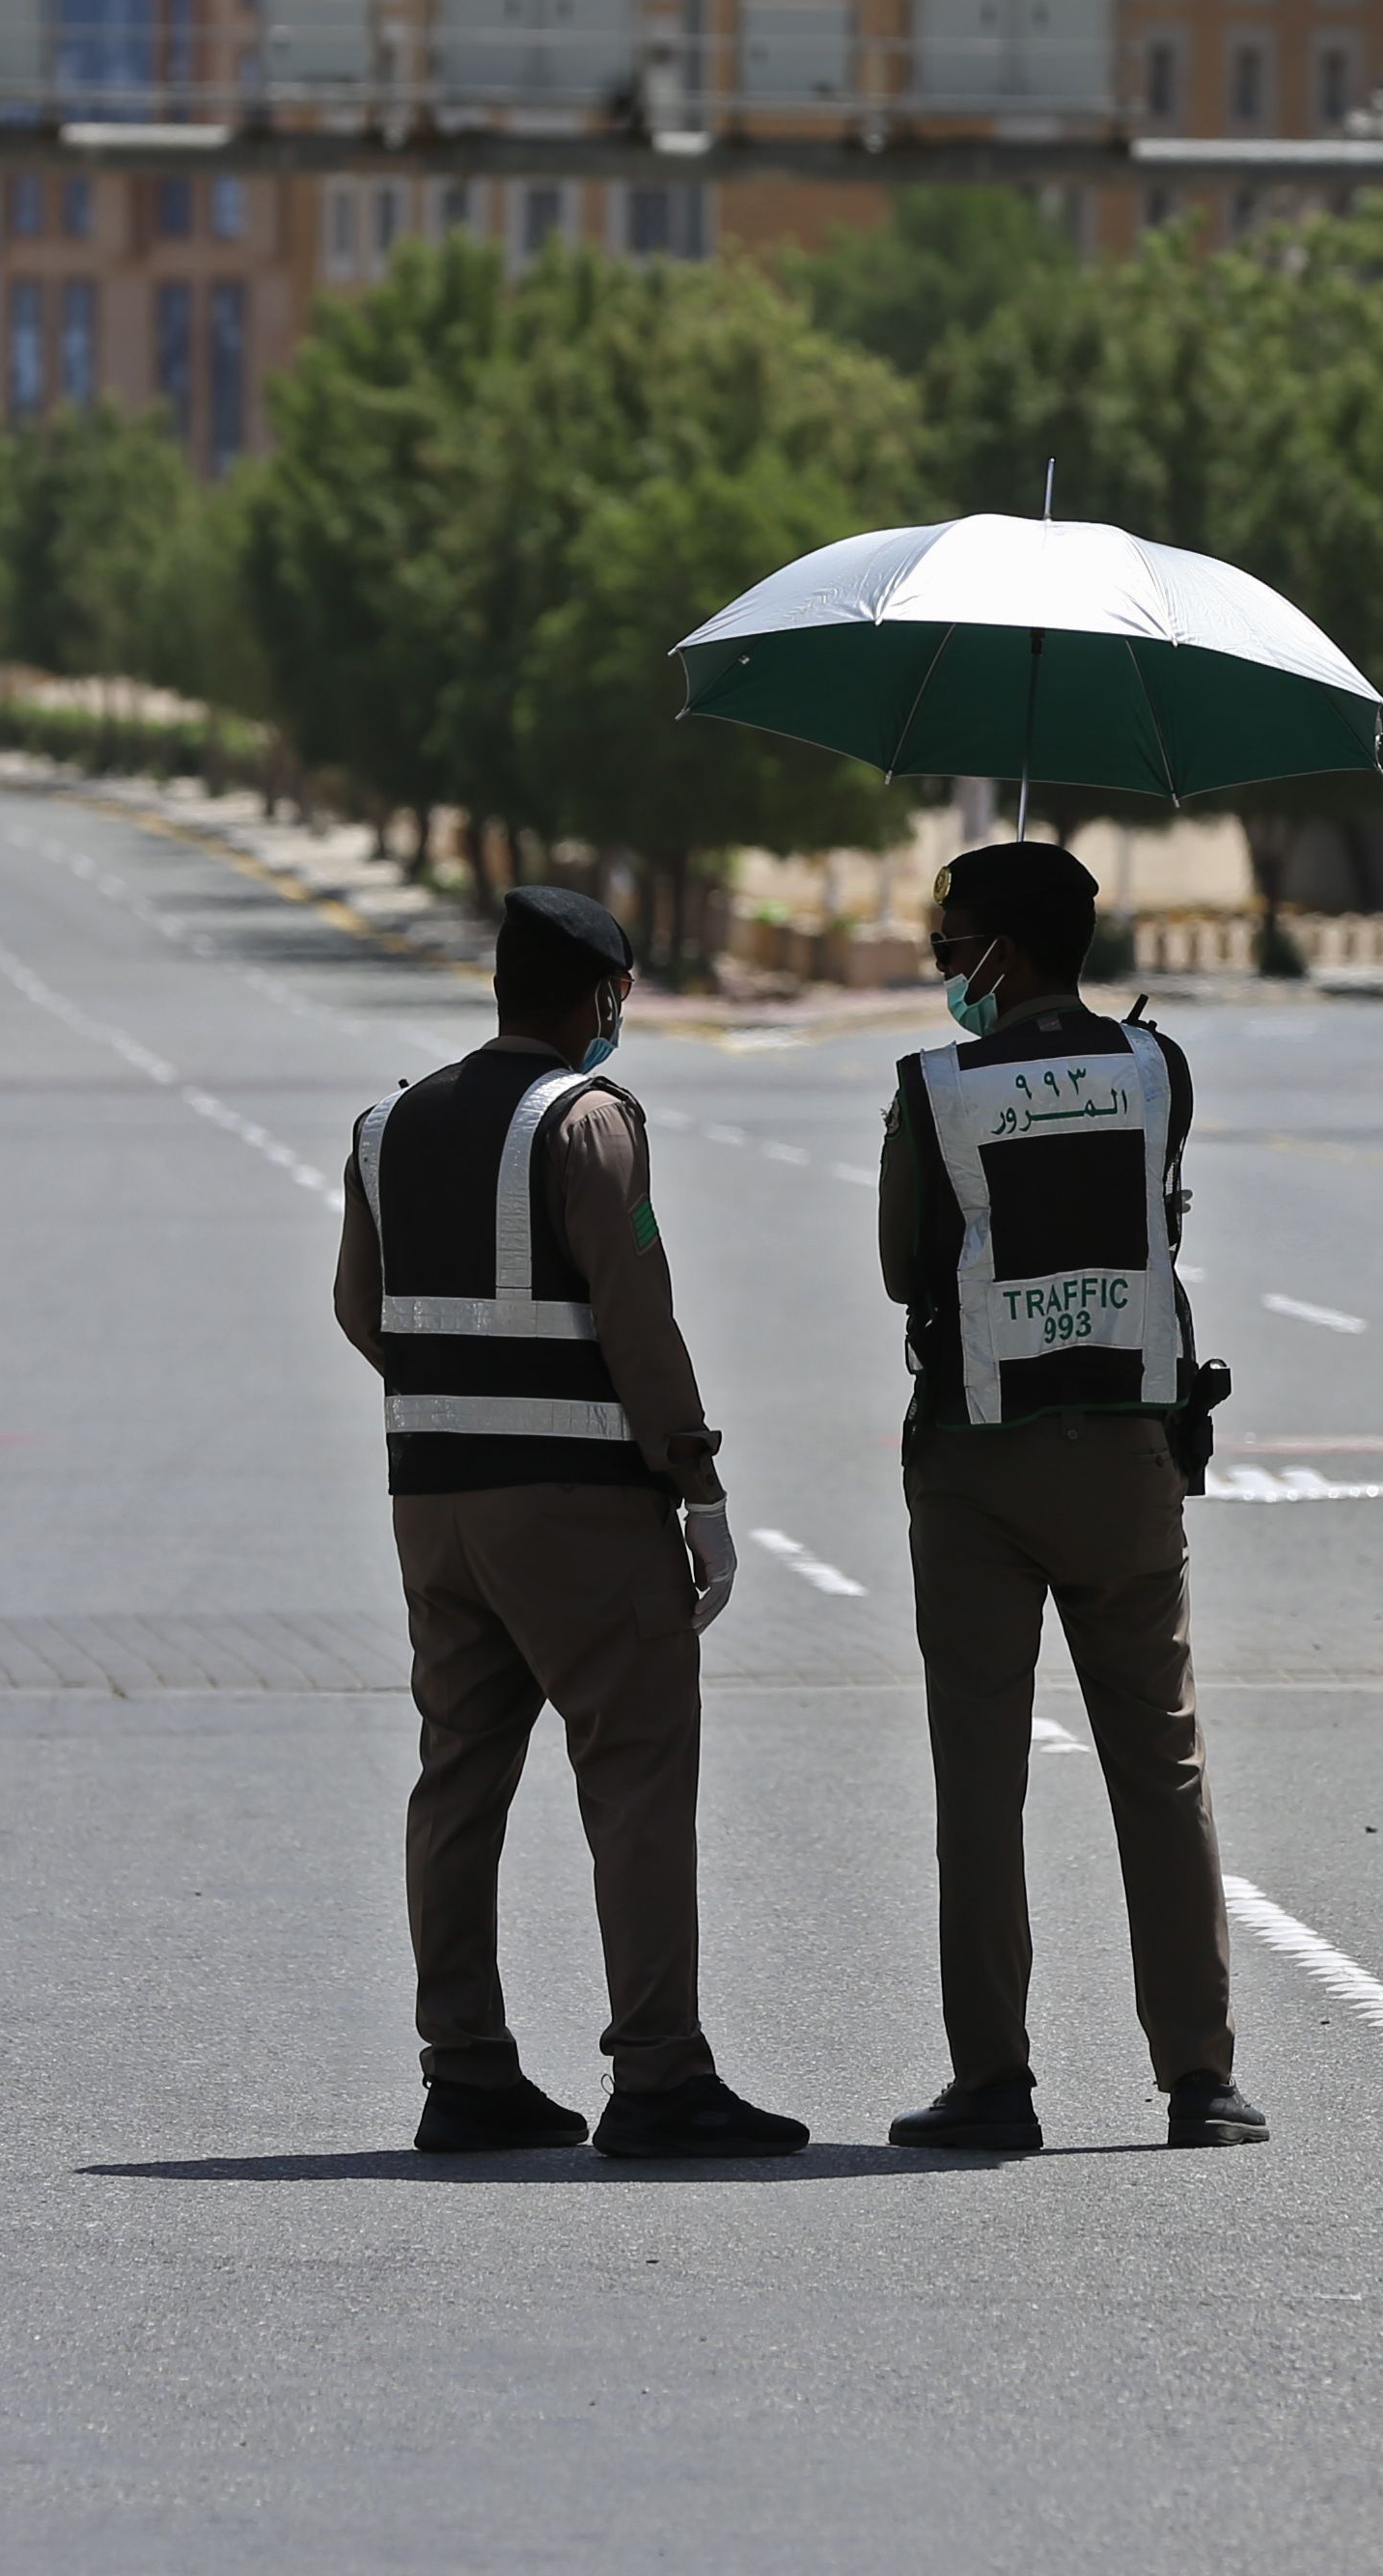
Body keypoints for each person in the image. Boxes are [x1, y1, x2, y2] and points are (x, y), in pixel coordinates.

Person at [334, 885, 809, 2161]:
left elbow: (358, 1308)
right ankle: (658, 2074)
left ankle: (467, 2070)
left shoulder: (386, 1126)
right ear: (601, 998)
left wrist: (461, 1399)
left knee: (458, 1777)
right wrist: (695, 1482)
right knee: (638, 1772)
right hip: (580, 1512)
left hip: (434, 1504)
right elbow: (636, 1315)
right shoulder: (587, 1122)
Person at [876, 841, 1263, 2153]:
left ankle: (994, 2083)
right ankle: (1200, 2080)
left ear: (1001, 952)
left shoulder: (937, 1089)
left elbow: (902, 1262)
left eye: (953, 950)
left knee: (981, 1780)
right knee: (1160, 1761)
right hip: (1126, 1449)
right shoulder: (1161, 1069)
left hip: (981, 1455)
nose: (946, 975)